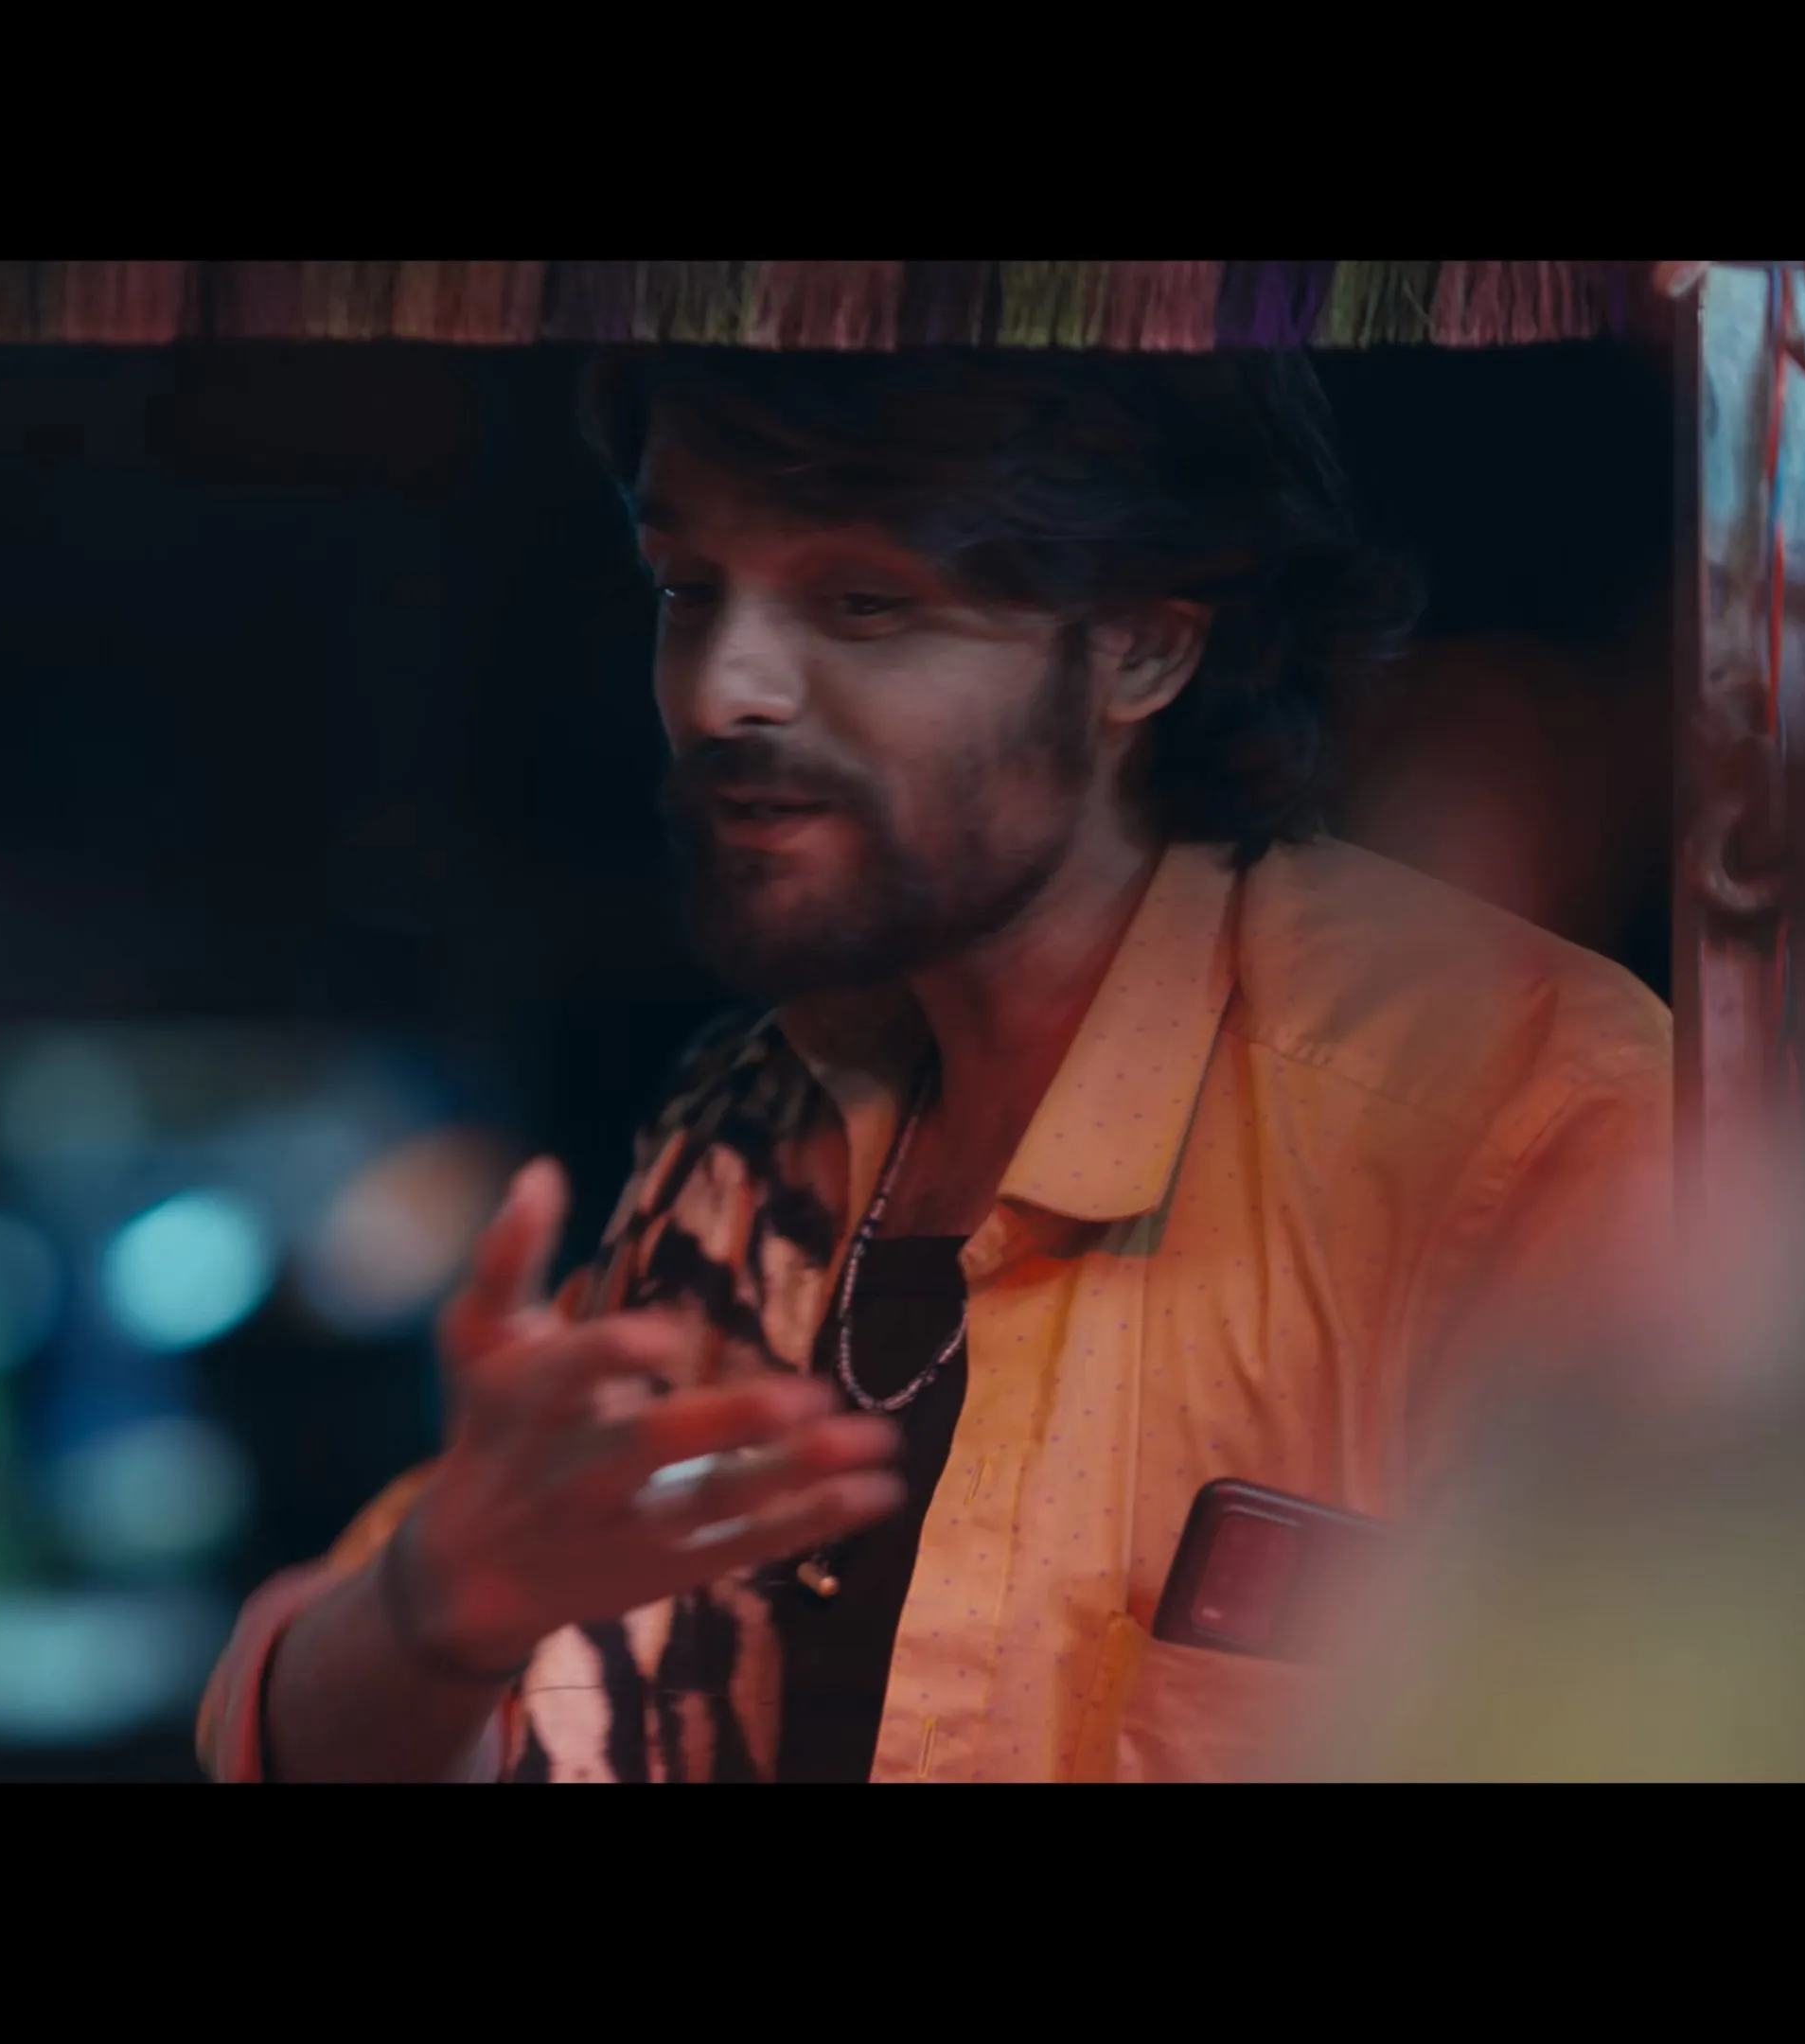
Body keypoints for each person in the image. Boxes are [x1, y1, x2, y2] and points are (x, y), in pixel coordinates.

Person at [200, 345, 1673, 1783]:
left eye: (865, 602)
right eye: (689, 589)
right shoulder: (753, 1128)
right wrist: (436, 1613)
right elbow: (299, 1727)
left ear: (1142, 648)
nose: (725, 691)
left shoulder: (1520, 1110)